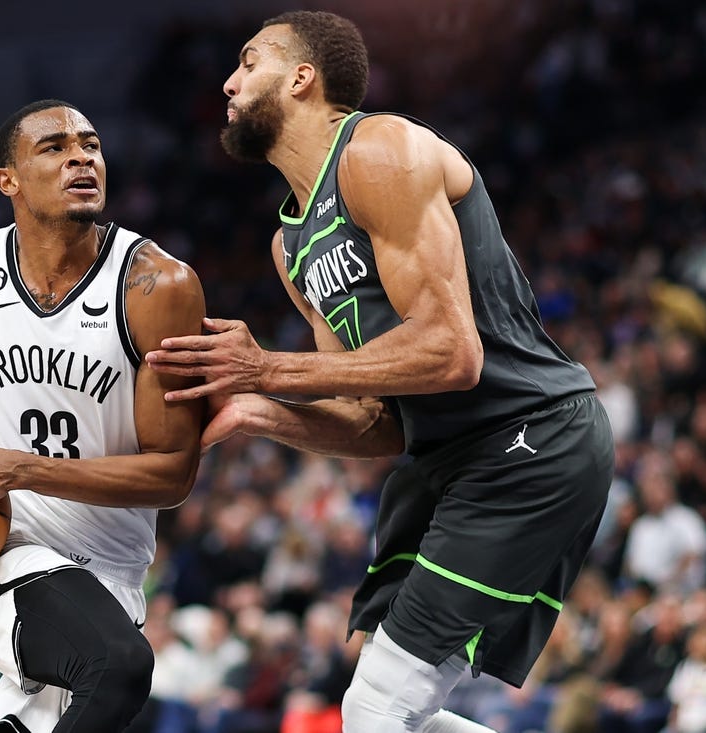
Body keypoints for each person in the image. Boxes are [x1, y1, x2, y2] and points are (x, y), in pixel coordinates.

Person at [145, 10, 615, 733]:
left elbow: (454, 354)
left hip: (528, 439)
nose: (228, 82)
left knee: (375, 707)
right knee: (384, 700)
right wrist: (258, 404)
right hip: (447, 459)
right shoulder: (291, 244)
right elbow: (375, 421)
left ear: (302, 78)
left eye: (249, 62)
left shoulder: (378, 149)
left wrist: (267, 363)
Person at [0, 99, 206, 732]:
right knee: (115, 667)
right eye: (54, 148)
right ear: (8, 180)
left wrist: (13, 467)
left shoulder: (156, 288)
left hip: (109, 567)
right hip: (1, 538)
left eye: (91, 144)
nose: (81, 157)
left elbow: (172, 475)